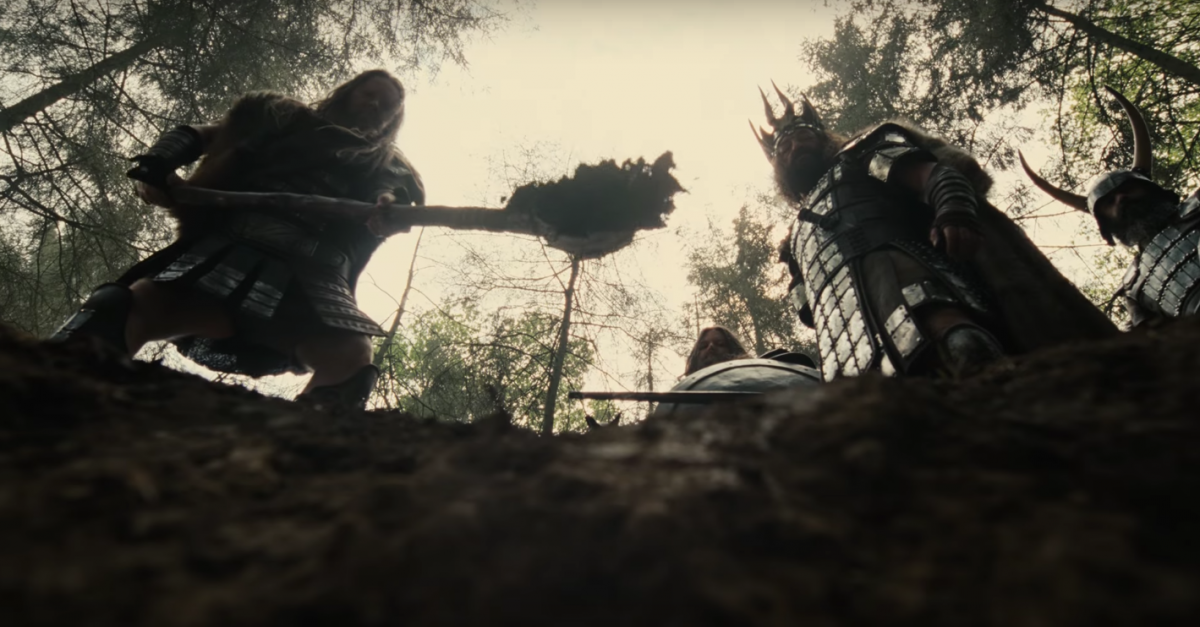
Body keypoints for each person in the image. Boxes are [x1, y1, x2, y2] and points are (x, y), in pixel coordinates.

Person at [50, 69, 424, 410]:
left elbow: (389, 198)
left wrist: (388, 210)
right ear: (348, 92)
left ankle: (298, 455)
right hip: (225, 255)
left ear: (393, 119)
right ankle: (47, 399)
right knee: (123, 309)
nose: (376, 105)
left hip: (310, 287)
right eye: (370, 94)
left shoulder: (389, 166)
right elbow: (206, 135)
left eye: (387, 105)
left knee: (350, 359)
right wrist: (159, 165)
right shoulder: (283, 118)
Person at [753, 83, 1116, 381]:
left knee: (966, 350)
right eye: (784, 148)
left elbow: (938, 177)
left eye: (803, 137)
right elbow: (808, 308)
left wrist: (953, 210)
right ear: (777, 166)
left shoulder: (860, 155)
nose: (795, 148)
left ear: (824, 139)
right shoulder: (796, 235)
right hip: (848, 346)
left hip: (914, 285)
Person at [1021, 87, 1200, 328]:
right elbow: (1150, 339)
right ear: (1105, 224)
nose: (1121, 199)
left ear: (1151, 190)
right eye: (1108, 202)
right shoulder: (1134, 285)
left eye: (1128, 188)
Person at [683, 326, 751, 375]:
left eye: (720, 344)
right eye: (704, 346)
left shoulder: (748, 377)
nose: (710, 346)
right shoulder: (688, 388)